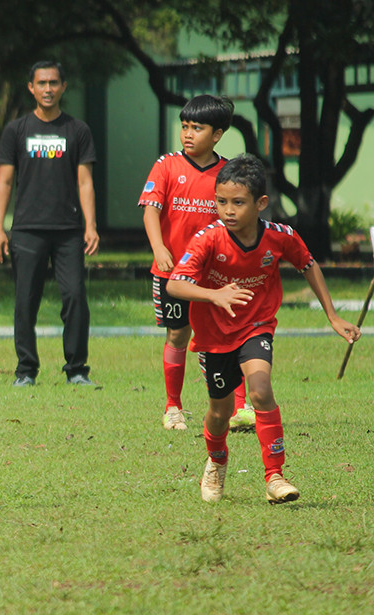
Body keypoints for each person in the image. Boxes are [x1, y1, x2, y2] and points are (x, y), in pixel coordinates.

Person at [167, 154, 360, 504]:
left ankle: (275, 475)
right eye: (221, 202)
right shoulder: (208, 239)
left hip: (256, 327)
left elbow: (308, 264)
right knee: (219, 412)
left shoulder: (280, 236)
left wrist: (332, 315)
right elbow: (175, 285)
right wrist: (214, 294)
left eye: (237, 203)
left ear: (261, 204)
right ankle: (216, 459)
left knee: (259, 390)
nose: (227, 210)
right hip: (214, 337)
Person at [138, 95, 254, 432]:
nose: (187, 134)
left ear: (217, 134)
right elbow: (151, 210)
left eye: (197, 128)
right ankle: (173, 406)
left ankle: (240, 408)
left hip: (217, 274)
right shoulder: (167, 165)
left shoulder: (228, 172)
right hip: (172, 272)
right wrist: (159, 247)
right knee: (178, 334)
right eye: (184, 126)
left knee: (230, 336)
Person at [0, 61, 99, 387]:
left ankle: (77, 370)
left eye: (54, 83)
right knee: (25, 301)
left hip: (68, 231)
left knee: (75, 297)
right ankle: (26, 371)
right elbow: (5, 182)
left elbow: (85, 182)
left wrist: (90, 225)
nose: (48, 89)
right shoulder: (16, 130)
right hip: (27, 229)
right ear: (31, 88)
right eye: (42, 83)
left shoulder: (77, 130)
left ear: (63, 87)